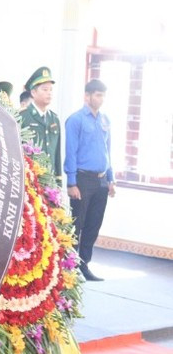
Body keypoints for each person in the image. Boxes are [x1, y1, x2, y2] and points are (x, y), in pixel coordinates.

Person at [64, 79, 115, 282]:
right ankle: (70, 266)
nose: (100, 99)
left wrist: (111, 179)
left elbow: (107, 151)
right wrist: (71, 182)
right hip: (82, 179)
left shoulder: (105, 120)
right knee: (78, 224)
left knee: (94, 224)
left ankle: (84, 265)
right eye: (97, 95)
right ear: (87, 96)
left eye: (103, 95)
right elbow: (71, 152)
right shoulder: (75, 120)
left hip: (101, 180)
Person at [19, 66, 62, 184]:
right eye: (45, 89)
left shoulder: (54, 119)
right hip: (31, 180)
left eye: (51, 90)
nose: (49, 93)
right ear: (33, 92)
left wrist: (58, 181)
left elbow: (57, 153)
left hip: (50, 181)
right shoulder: (22, 116)